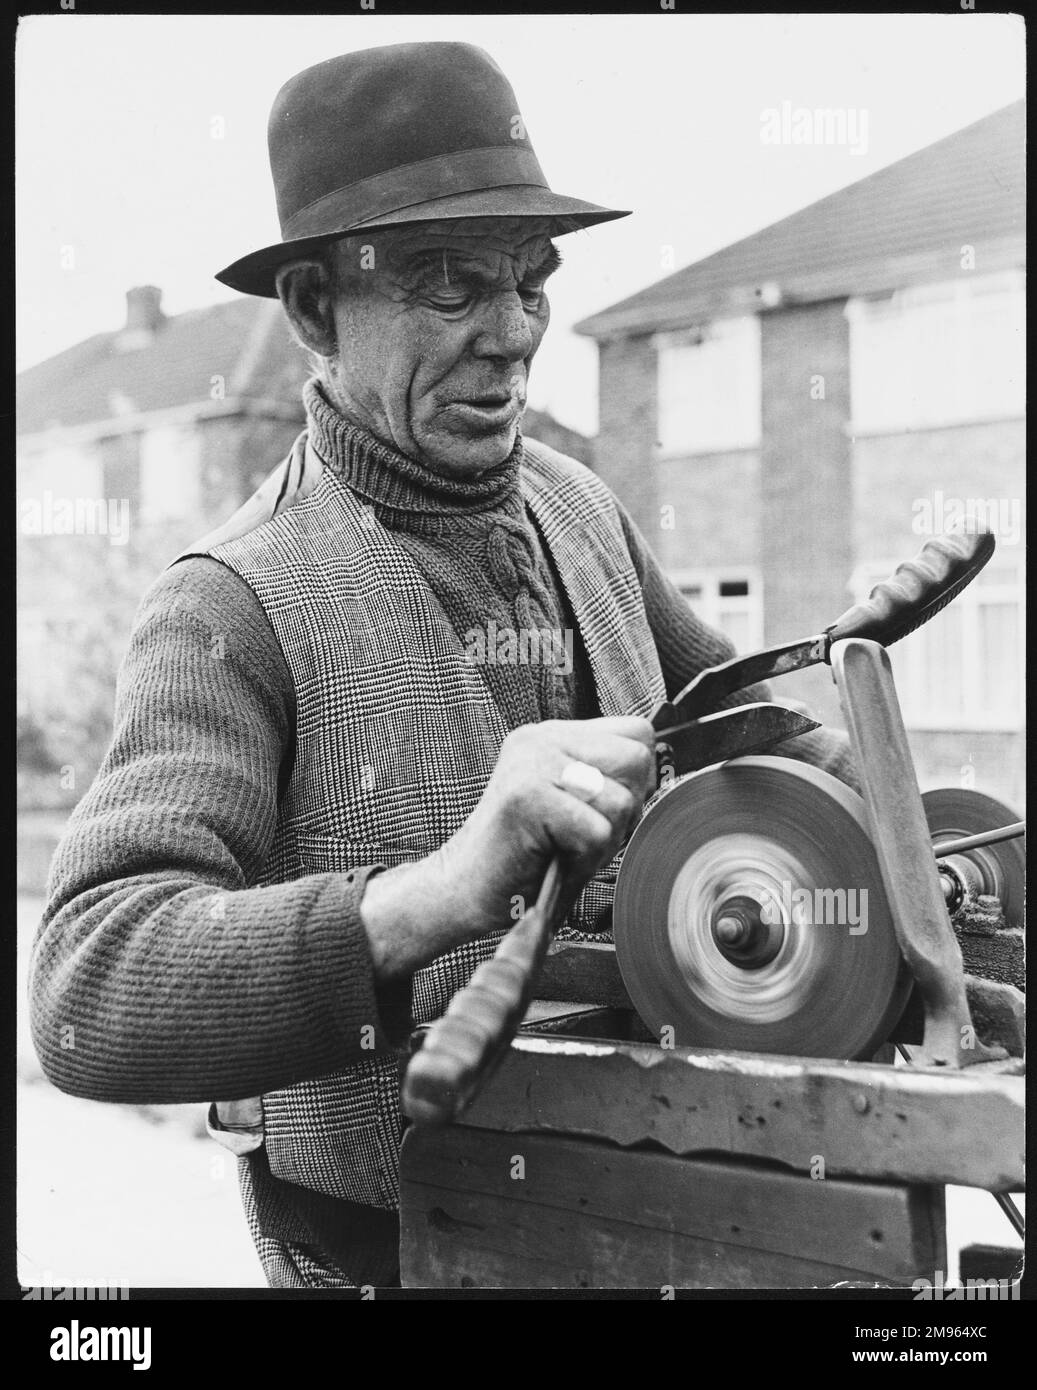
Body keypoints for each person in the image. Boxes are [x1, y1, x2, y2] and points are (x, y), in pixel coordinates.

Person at [31, 42, 858, 1288]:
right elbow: (87, 990)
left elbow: (743, 726)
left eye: (529, 282)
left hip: (679, 1230)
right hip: (404, 1261)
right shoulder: (228, 604)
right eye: (451, 287)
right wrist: (437, 890)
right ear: (314, 308)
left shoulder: (578, 505)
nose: (513, 335)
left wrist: (853, 788)